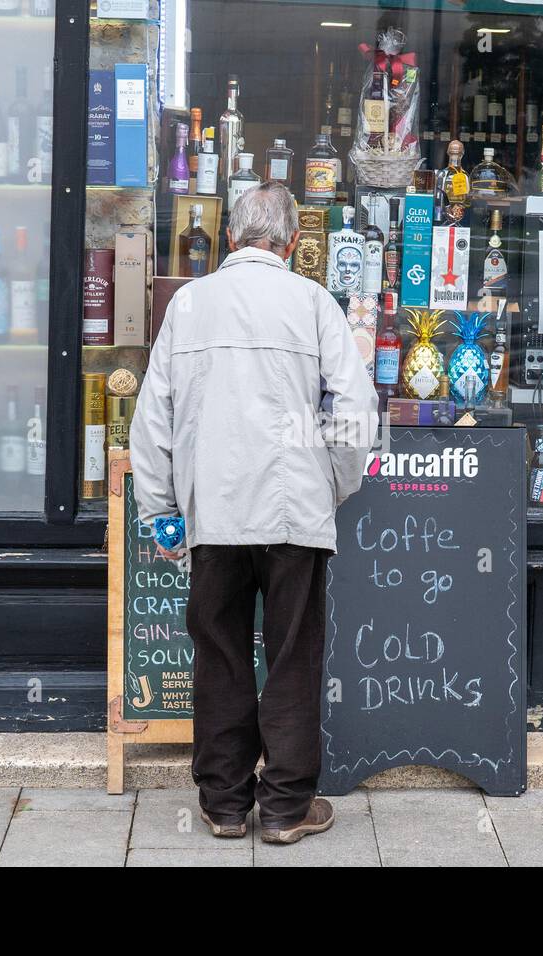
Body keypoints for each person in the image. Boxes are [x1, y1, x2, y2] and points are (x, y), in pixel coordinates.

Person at [130, 182, 378, 844]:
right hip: (295, 508)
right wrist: (335, 486)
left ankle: (224, 803)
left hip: (212, 508)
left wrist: (161, 511)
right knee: (293, 654)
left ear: (232, 236)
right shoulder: (314, 302)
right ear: (293, 243)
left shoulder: (189, 304)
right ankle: (287, 808)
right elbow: (355, 415)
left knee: (220, 653)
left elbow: (153, 417)